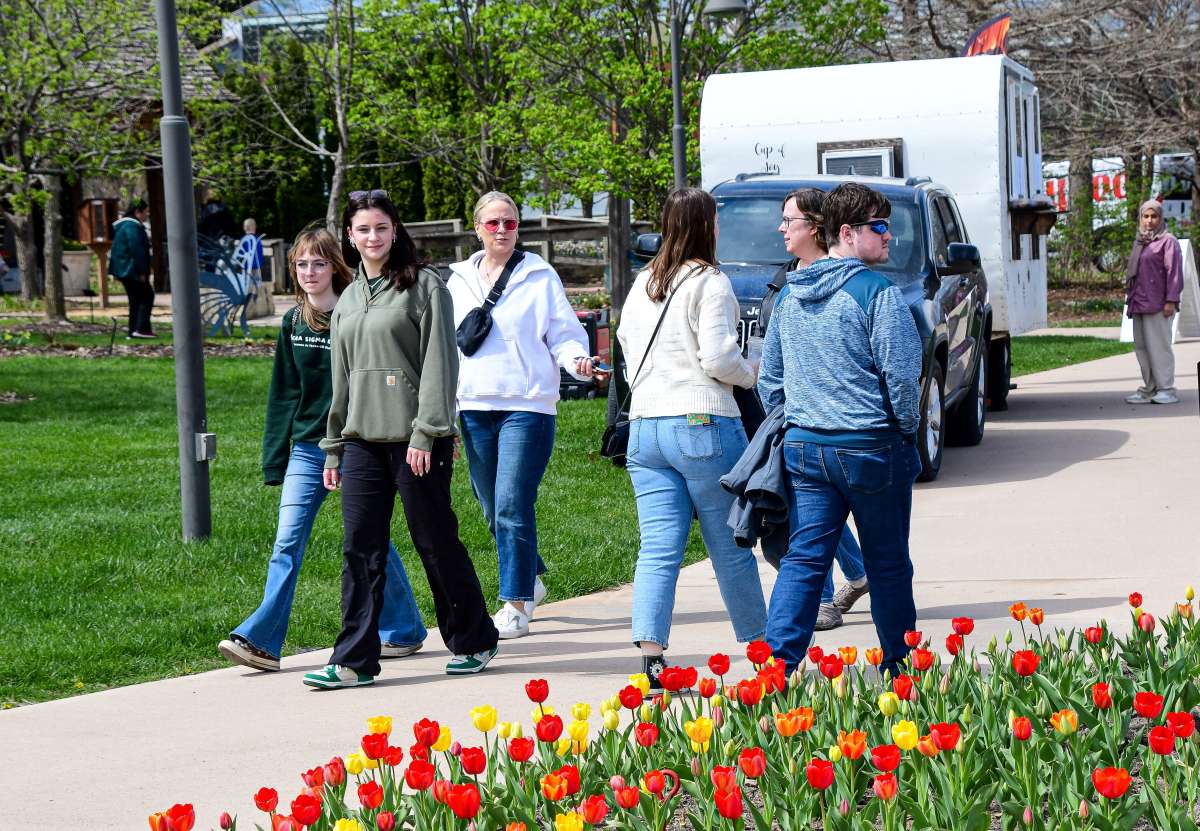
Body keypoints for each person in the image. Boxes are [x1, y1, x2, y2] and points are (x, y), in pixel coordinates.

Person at [305, 190, 498, 689]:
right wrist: (335, 445)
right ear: (350, 236)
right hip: (362, 443)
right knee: (359, 548)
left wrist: (427, 432)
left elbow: (440, 365)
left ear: (396, 232)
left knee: (434, 542)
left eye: (382, 228)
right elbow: (341, 377)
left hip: (417, 441)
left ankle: (474, 639)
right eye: (363, 229)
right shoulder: (347, 299)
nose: (373, 237)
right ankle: (354, 660)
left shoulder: (426, 287)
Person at [217, 225, 427, 673]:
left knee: (369, 542)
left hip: (357, 445)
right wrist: (276, 456)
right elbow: (284, 392)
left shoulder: (357, 312)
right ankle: (262, 641)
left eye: (318, 263)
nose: (309, 272)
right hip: (307, 451)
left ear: (335, 265)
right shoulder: (293, 322)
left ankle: (405, 628)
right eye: (301, 264)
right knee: (287, 541)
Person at [758, 182, 923, 678]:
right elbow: (900, 375)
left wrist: (800, 419)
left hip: (806, 448)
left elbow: (771, 380)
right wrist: (905, 430)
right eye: (880, 227)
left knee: (804, 561)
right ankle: (901, 669)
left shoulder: (791, 293)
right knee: (888, 562)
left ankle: (774, 672)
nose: (889, 236)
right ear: (847, 233)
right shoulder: (878, 293)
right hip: (871, 447)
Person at [617, 187, 768, 688]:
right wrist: (752, 373)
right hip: (701, 422)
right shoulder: (711, 281)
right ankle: (761, 650)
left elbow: (623, 344)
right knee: (729, 546)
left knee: (658, 547)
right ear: (707, 225)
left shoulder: (642, 283)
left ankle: (653, 657)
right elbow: (718, 357)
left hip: (645, 427)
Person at [446, 192, 599, 639]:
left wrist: (577, 362)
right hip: (473, 406)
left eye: (510, 224)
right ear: (477, 228)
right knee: (492, 508)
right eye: (493, 224)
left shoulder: (538, 275)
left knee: (512, 502)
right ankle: (529, 573)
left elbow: (565, 333)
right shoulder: (457, 281)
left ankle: (516, 602)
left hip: (526, 406)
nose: (501, 231)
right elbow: (444, 346)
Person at [771, 188, 869, 631]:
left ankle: (827, 598)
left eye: (789, 219)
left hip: (845, 430)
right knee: (814, 516)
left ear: (815, 225)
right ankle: (857, 573)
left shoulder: (846, 284)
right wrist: (784, 415)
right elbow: (772, 365)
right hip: (800, 425)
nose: (781, 228)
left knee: (810, 523)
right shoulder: (786, 282)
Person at [1124, 199, 1183, 405]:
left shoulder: (1168, 241)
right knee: (1142, 348)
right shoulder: (1140, 241)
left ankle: (1166, 388)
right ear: (1140, 218)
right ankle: (1149, 388)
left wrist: (1171, 300)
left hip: (1159, 303)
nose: (1149, 221)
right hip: (1138, 302)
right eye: (1145, 216)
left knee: (1159, 347)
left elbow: (1174, 273)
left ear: (1160, 218)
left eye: (1154, 216)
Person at [108, 198, 156, 339]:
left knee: (137, 299)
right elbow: (137, 249)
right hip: (132, 270)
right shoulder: (132, 227)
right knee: (145, 296)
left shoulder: (123, 226)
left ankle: (138, 330)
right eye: (145, 212)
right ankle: (139, 329)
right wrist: (142, 271)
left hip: (125, 270)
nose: (146, 215)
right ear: (137, 212)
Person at [237, 218, 265, 282]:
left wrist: (239, 264)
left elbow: (240, 253)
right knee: (257, 282)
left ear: (245, 228)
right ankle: (256, 291)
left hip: (246, 266)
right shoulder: (257, 239)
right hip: (256, 265)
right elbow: (260, 253)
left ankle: (248, 291)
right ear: (253, 227)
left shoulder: (243, 239)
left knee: (246, 282)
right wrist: (261, 263)